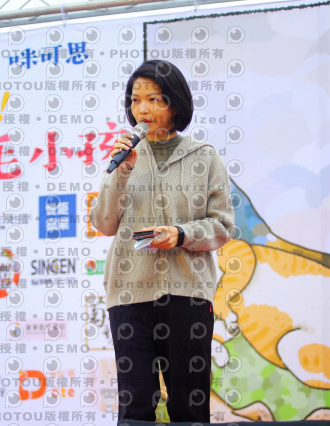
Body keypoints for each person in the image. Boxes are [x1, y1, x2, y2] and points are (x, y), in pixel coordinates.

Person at [89, 59, 235, 422]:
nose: (143, 109)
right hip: (129, 296)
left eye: (154, 99)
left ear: (175, 104)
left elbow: (222, 226)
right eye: (136, 100)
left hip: (187, 294)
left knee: (188, 404)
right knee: (135, 405)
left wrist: (182, 234)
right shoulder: (126, 157)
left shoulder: (205, 157)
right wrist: (121, 173)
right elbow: (103, 223)